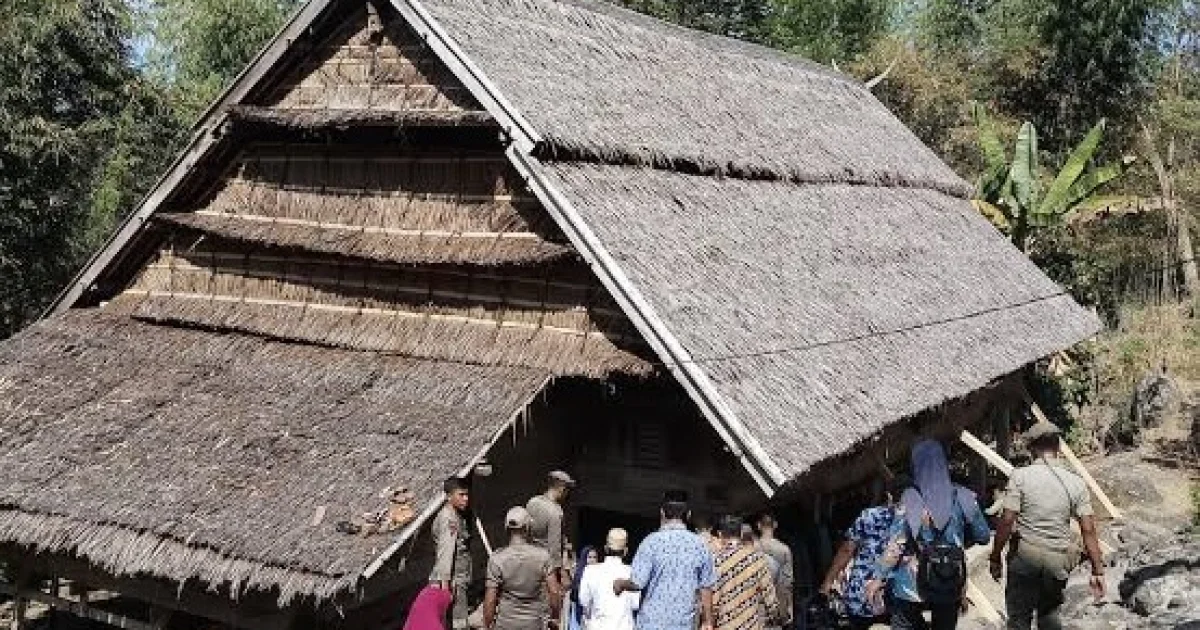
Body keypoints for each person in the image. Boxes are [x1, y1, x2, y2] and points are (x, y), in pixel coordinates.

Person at [989, 423, 1106, 630]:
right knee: (1049, 617)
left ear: (1032, 448)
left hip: (1024, 559)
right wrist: (1098, 570)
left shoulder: (1020, 476)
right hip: (1057, 562)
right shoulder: (1076, 483)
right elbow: (1088, 529)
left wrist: (996, 555)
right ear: (1058, 447)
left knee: (1018, 620)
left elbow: (1007, 521)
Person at [868, 440, 990, 630]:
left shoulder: (909, 499)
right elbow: (983, 536)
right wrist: (956, 542)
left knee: (904, 623)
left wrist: (878, 578)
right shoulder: (964, 496)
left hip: (910, 585)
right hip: (949, 579)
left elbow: (895, 546)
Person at [613, 493, 717, 630]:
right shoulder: (700, 545)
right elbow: (706, 586)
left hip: (651, 624)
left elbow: (637, 582)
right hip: (683, 624)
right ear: (688, 515)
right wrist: (708, 621)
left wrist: (620, 583)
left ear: (662, 513)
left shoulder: (650, 542)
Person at [818, 476, 907, 629]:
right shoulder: (914, 520)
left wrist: (827, 582)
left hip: (862, 592)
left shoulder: (869, 516)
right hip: (898, 592)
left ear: (889, 495)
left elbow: (847, 550)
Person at [483, 506, 563, 630]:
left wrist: (487, 624)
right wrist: (555, 617)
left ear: (507, 529)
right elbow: (554, 591)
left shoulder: (497, 559)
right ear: (528, 527)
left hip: (505, 624)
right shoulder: (542, 556)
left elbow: (490, 599)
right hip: (533, 624)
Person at [712, 516, 778, 630]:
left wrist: (709, 620)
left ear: (720, 534)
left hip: (725, 625)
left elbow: (714, 599)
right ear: (741, 534)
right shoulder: (757, 559)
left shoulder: (716, 561)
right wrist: (774, 618)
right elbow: (769, 596)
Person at [431, 477, 473, 630]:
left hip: (457, 579)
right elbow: (445, 554)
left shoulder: (456, 515)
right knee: (458, 624)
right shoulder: (449, 520)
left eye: (467, 494)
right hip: (452, 581)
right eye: (461, 495)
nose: (466, 499)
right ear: (449, 496)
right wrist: (445, 588)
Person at [579, 529, 639, 630]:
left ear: (606, 548)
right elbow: (635, 604)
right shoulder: (632, 572)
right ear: (625, 551)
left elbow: (584, 601)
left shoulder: (590, 570)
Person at [528, 470, 576, 578]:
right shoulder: (555, 512)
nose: (568, 493)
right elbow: (554, 549)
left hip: (529, 560)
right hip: (545, 567)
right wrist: (559, 574)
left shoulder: (532, 502)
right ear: (561, 488)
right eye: (567, 489)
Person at [755, 514, 793, 629]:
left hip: (756, 604)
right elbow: (787, 582)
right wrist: (788, 606)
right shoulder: (784, 549)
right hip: (777, 603)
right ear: (775, 525)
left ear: (758, 526)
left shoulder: (751, 548)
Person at [569, 546, 600, 630]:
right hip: (581, 612)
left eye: (595, 557)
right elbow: (575, 595)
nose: (592, 560)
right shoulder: (579, 573)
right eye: (589, 557)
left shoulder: (601, 574)